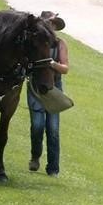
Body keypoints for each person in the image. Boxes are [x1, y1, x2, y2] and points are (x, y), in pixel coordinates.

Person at [28, 11, 69, 176]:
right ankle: (35, 156)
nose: (52, 27)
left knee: (53, 129)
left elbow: (65, 68)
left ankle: (53, 168)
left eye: (53, 24)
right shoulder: (34, 42)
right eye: (49, 23)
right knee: (37, 126)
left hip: (54, 86)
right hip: (36, 86)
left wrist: (51, 63)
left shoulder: (60, 44)